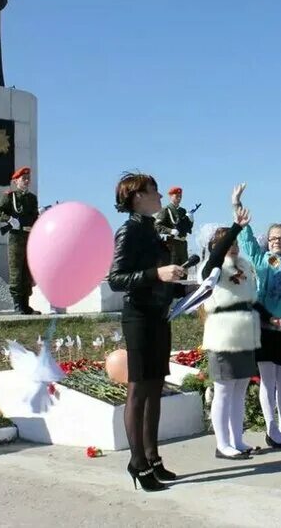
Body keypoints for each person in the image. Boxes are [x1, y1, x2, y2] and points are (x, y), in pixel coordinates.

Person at [108, 172, 185, 492]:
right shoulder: (128, 231)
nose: (160, 197)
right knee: (138, 390)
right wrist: (158, 272)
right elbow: (116, 278)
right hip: (138, 317)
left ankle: (153, 458)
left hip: (158, 315)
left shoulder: (151, 229)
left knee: (155, 387)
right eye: (154, 191)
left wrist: (178, 284)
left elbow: (156, 277)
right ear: (137, 196)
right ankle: (137, 463)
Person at [232, 184, 281, 448]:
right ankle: (271, 429)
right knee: (268, 380)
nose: (278, 241)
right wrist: (236, 205)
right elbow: (246, 239)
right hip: (264, 327)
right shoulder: (262, 259)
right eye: (274, 237)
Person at [201, 197, 266, 459]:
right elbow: (214, 260)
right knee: (224, 390)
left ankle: (237, 440)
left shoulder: (246, 267)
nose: (234, 248)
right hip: (223, 336)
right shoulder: (212, 270)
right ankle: (222, 443)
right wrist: (234, 227)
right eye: (228, 244)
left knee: (240, 388)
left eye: (235, 243)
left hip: (244, 334)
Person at [0, 166, 41, 315]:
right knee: (16, 271)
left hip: (29, 238)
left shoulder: (32, 198)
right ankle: (18, 306)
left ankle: (26, 305)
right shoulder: (10, 197)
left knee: (27, 272)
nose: (26, 181)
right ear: (16, 181)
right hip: (16, 238)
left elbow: (34, 217)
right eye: (23, 179)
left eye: (28, 179)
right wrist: (9, 219)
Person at [156, 186, 193, 266]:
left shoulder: (182, 211)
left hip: (183, 244)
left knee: (184, 269)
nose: (179, 198)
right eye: (177, 196)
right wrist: (170, 231)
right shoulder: (166, 210)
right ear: (171, 196)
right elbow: (157, 226)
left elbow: (187, 229)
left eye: (180, 196)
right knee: (173, 269)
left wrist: (191, 220)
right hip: (172, 244)